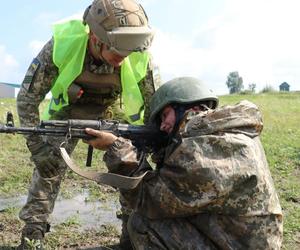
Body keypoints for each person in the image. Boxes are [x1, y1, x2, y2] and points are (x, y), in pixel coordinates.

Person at [16, 0, 156, 248]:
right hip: (67, 114)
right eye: (116, 52)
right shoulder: (62, 45)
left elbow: (155, 105)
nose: (123, 60)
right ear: (95, 37)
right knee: (47, 170)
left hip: (111, 114)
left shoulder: (138, 52)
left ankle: (131, 232)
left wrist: (141, 146)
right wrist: (38, 149)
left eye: (128, 53)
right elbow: (27, 98)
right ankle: (33, 235)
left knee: (130, 166)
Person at [84, 77, 283, 249]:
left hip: (238, 243)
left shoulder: (204, 151)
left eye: (165, 115)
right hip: (238, 239)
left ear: (191, 108)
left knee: (143, 225)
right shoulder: (224, 135)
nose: (162, 126)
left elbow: (148, 198)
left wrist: (118, 148)